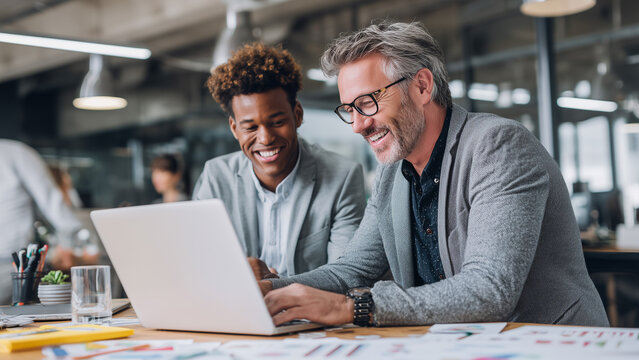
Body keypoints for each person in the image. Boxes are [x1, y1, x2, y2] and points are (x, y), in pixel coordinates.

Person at [254, 22, 609, 327]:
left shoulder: (498, 146)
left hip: (552, 344)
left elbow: (490, 289)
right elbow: (350, 271)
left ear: (422, 86)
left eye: (367, 103)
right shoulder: (393, 174)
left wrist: (354, 308)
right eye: (350, 109)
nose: (359, 125)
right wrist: (267, 289)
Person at [193, 43, 366, 276]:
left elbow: (345, 276)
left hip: (309, 313)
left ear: (297, 115)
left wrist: (275, 286)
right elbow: (200, 265)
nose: (265, 138)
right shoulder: (216, 178)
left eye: (277, 122)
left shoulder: (341, 177)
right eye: (250, 127)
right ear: (234, 129)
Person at [0, 139, 82, 304]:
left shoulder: (15, 153)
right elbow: (55, 208)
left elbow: (57, 210)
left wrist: (66, 246)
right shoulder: (16, 153)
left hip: (13, 268)